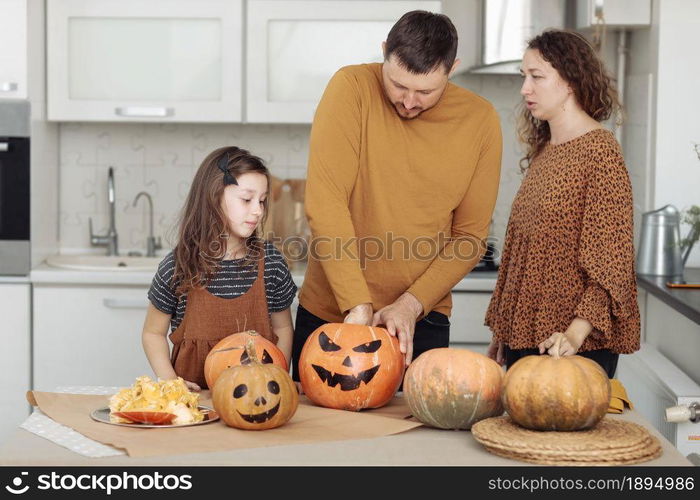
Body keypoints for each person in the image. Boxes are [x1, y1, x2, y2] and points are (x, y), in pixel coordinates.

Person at [292, 10, 502, 379]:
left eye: (425, 91)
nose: (408, 101)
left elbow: (469, 237)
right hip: (333, 317)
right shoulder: (351, 87)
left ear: (452, 69)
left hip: (419, 320)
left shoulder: (480, 121)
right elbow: (326, 203)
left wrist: (409, 305)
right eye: (398, 85)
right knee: (317, 433)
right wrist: (356, 307)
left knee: (414, 435)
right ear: (384, 51)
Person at [485, 30, 640, 377]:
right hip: (527, 336)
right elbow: (526, 248)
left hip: (568, 346)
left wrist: (576, 332)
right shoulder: (547, 150)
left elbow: (611, 258)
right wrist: (504, 328)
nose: (525, 88)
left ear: (570, 80)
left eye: (536, 77)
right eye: (523, 76)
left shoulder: (599, 153)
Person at [142, 146, 297, 391]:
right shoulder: (179, 266)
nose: (258, 210)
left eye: (262, 201)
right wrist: (170, 382)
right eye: (247, 199)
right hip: (196, 406)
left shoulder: (271, 263)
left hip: (257, 399)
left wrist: (278, 378)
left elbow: (283, 328)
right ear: (213, 197)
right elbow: (152, 333)